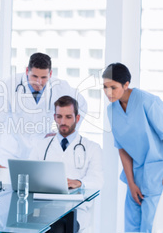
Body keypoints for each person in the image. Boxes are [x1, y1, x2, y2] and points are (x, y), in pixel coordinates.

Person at [0, 52, 88, 178]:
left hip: (42, 151)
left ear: (50, 74)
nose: (39, 82)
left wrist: (64, 133)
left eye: (44, 77)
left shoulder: (60, 87)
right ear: (26, 71)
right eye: (34, 76)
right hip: (11, 151)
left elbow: (82, 106)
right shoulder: (9, 84)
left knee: (40, 191)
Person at [102, 62, 163, 232]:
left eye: (113, 87)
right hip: (135, 176)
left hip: (158, 175)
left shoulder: (148, 102)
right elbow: (122, 148)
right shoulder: (111, 110)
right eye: (105, 87)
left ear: (126, 84)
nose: (108, 93)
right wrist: (131, 183)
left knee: (149, 228)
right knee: (131, 227)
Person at [29, 95, 103, 232]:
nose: (63, 121)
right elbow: (29, 175)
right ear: (54, 117)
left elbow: (98, 180)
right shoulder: (41, 146)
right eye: (59, 117)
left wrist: (79, 182)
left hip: (76, 209)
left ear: (77, 118)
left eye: (68, 117)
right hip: (45, 207)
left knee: (56, 229)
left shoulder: (92, 148)